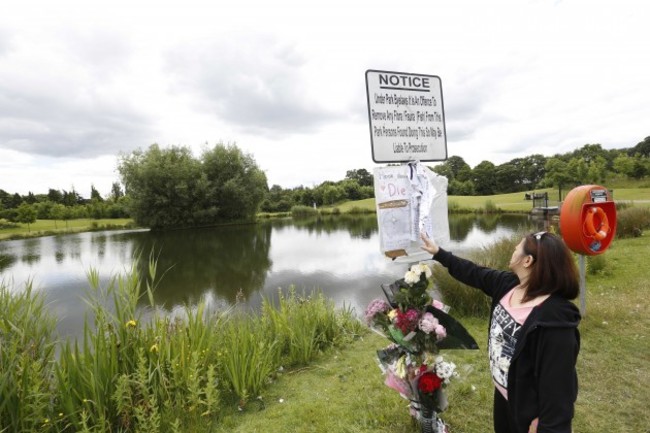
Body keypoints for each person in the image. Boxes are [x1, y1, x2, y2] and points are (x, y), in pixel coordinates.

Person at [420, 231, 581, 433]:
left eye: (518, 247)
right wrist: (439, 253)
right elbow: (474, 273)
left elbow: (558, 390)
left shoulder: (554, 321)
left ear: (528, 260)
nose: (513, 249)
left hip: (529, 411)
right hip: (505, 395)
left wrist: (547, 426)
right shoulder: (509, 285)